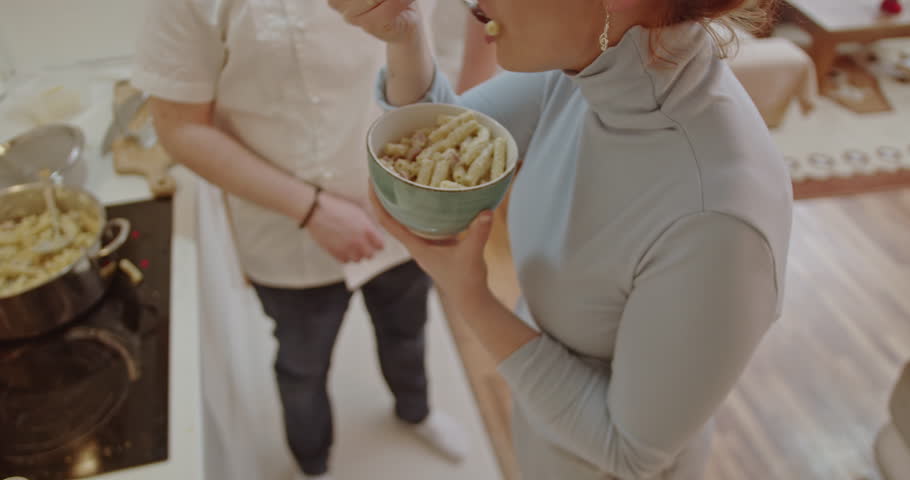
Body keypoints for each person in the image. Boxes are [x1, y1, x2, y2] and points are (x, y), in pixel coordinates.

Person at [329, 0, 794, 479]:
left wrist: (471, 298)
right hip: (544, 433)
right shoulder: (586, 66)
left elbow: (630, 453)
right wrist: (405, 37)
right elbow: (444, 145)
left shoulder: (719, 223)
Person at [131, 1, 485, 478]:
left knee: (406, 330)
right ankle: (312, 462)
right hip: (285, 225)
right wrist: (310, 207)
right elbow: (179, 126)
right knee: (303, 364)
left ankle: (415, 410)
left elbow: (463, 33)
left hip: (398, 200)